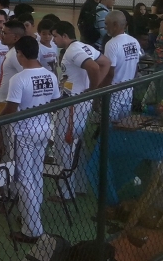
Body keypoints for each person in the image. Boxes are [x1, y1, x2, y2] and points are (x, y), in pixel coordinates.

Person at [0, 36, 60, 244]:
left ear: (20, 55)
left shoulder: (19, 79)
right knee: (35, 175)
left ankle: (32, 229)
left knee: (23, 179)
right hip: (43, 129)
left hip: (24, 133)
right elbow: (54, 101)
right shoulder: (50, 75)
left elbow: (11, 109)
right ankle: (30, 215)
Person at [51, 21, 110, 201]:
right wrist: (94, 89)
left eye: (55, 36)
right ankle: (79, 186)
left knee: (64, 146)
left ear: (64, 36)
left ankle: (66, 192)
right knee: (76, 145)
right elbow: (105, 62)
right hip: (79, 103)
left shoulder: (73, 50)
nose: (53, 40)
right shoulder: (84, 46)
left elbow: (93, 67)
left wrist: (93, 89)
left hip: (72, 105)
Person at [101, 11, 143, 121]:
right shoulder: (134, 41)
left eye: (106, 24)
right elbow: (136, 67)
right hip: (128, 90)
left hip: (114, 92)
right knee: (123, 125)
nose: (105, 27)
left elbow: (110, 73)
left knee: (109, 124)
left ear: (115, 24)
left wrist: (100, 93)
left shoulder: (111, 44)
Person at [0, 20, 26, 102]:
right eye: (2, 32)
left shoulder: (16, 54)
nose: (1, 35)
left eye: (4, 33)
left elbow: (26, 76)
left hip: (12, 102)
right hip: (9, 100)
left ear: (15, 37)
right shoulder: (14, 52)